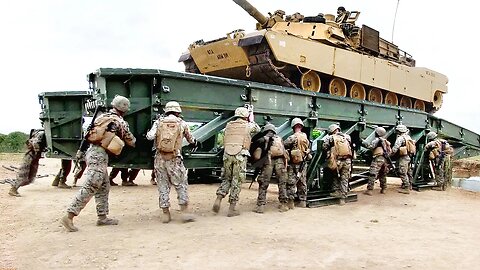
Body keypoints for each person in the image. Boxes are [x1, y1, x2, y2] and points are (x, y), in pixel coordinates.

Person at [60, 95, 136, 232]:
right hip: (99, 154)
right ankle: (69, 215)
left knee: (104, 186)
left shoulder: (101, 117)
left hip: (92, 152)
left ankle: (102, 217)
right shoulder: (119, 121)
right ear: (124, 109)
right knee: (92, 184)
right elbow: (129, 139)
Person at [146, 101, 198, 223]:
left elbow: (149, 136)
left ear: (166, 110)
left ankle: (165, 213)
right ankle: (184, 212)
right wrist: (195, 142)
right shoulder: (182, 123)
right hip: (175, 158)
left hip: (160, 158)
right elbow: (191, 139)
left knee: (163, 185)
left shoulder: (159, 122)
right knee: (180, 184)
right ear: (178, 112)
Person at [212, 106, 260, 217]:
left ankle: (218, 199)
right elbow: (257, 129)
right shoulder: (248, 126)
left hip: (227, 154)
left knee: (226, 178)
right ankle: (232, 208)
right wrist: (251, 118)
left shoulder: (228, 126)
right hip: (240, 155)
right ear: (245, 116)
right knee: (237, 180)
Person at [253, 123, 289, 213]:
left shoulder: (264, 138)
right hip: (280, 161)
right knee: (282, 183)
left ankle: (260, 206)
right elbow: (284, 152)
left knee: (263, 183)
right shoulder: (279, 139)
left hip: (268, 161)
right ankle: (283, 204)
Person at [1, 129, 46, 197]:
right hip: (30, 156)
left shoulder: (40, 133)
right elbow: (34, 142)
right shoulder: (41, 134)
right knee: (24, 173)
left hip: (33, 156)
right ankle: (13, 189)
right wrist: (37, 150)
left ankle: (14, 188)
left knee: (30, 175)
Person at [283, 118, 311, 208]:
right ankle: (302, 201)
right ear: (301, 126)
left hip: (293, 163)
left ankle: (291, 202)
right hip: (303, 163)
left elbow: (284, 144)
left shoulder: (293, 137)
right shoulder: (305, 137)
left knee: (291, 181)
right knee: (302, 181)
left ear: (293, 127)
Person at [322, 124, 352, 205]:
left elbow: (324, 147)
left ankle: (336, 191)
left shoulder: (330, 137)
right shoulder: (347, 137)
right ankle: (342, 198)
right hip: (347, 161)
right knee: (344, 178)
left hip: (337, 161)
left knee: (334, 175)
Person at [362, 127, 390, 195]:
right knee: (382, 174)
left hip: (377, 158)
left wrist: (363, 142)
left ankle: (370, 190)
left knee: (373, 174)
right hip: (384, 159)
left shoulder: (377, 140)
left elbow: (370, 146)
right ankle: (384, 189)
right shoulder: (385, 141)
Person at [390, 124, 415, 194]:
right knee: (408, 171)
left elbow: (395, 148)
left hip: (404, 157)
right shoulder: (408, 137)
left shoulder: (400, 138)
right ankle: (410, 185)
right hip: (409, 156)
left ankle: (406, 188)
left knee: (402, 171)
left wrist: (390, 155)